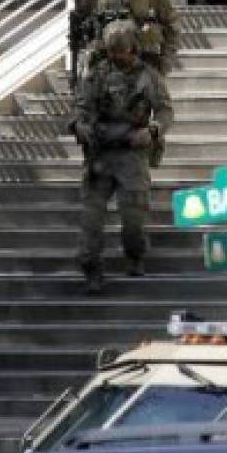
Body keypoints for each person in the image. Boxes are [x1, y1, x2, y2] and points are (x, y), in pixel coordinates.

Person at [73, 19, 173, 292]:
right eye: (112, 51)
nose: (117, 56)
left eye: (122, 51)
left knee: (133, 219)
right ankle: (91, 270)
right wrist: (81, 126)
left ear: (133, 49)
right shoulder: (97, 75)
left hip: (132, 153)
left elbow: (165, 111)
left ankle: (135, 255)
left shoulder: (149, 77)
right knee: (91, 219)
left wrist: (152, 131)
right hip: (101, 154)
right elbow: (81, 107)